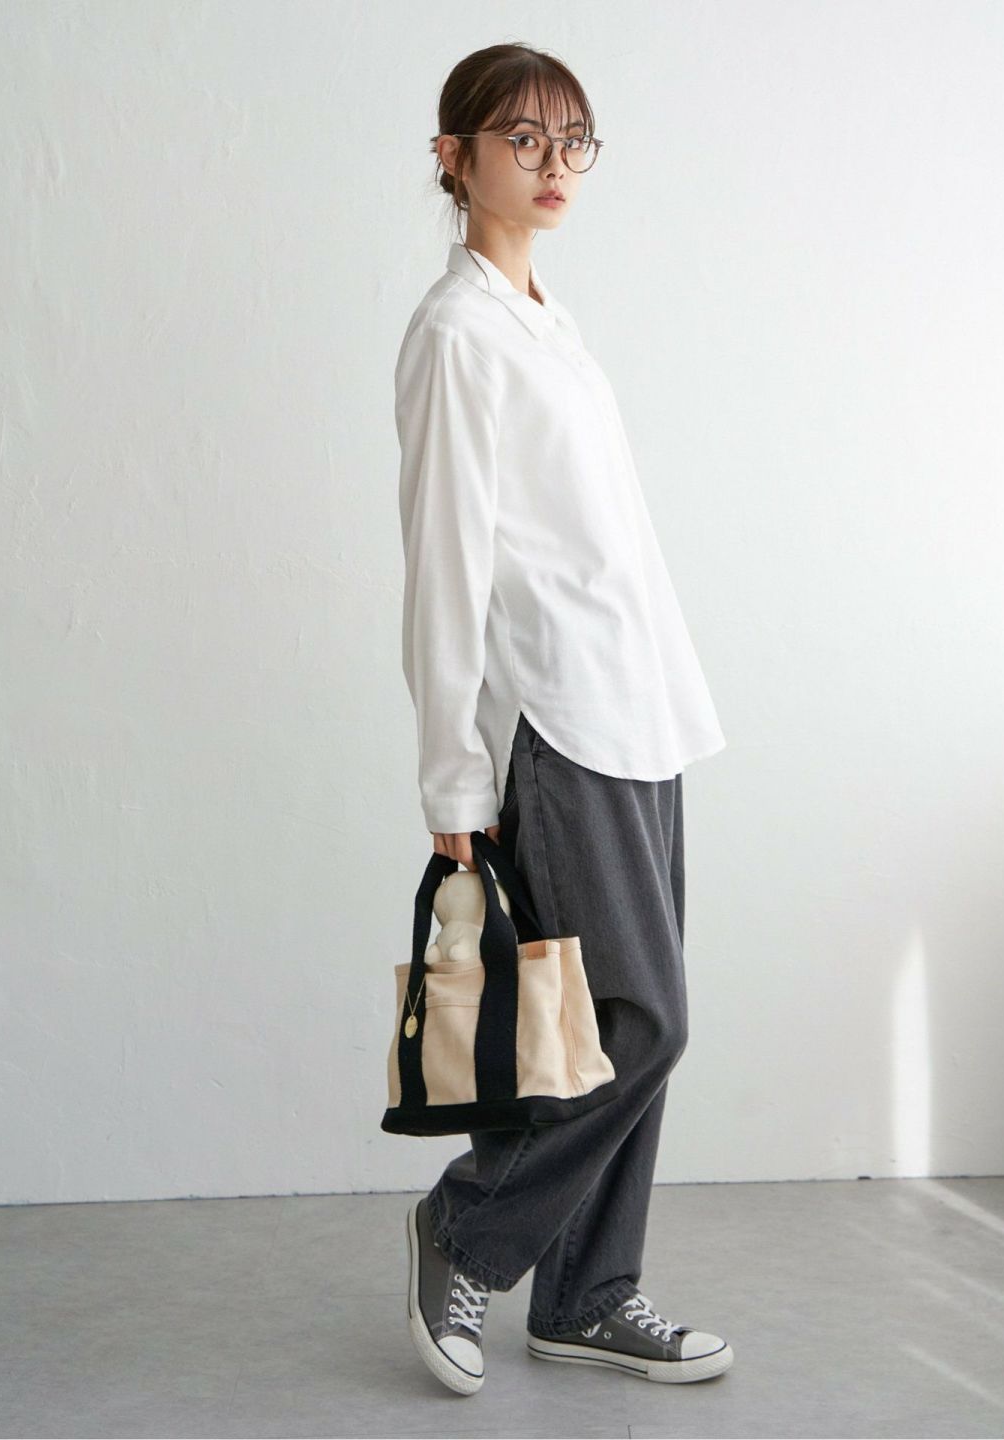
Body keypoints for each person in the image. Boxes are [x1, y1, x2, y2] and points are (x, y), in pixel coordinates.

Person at [394, 41, 734, 1395]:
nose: (550, 166)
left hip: (641, 704)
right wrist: (453, 777)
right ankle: (465, 1227)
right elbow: (446, 565)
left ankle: (589, 1295)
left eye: (570, 141)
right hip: (559, 716)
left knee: (604, 1032)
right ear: (454, 156)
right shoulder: (456, 335)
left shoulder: (551, 325)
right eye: (521, 140)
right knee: (645, 1021)